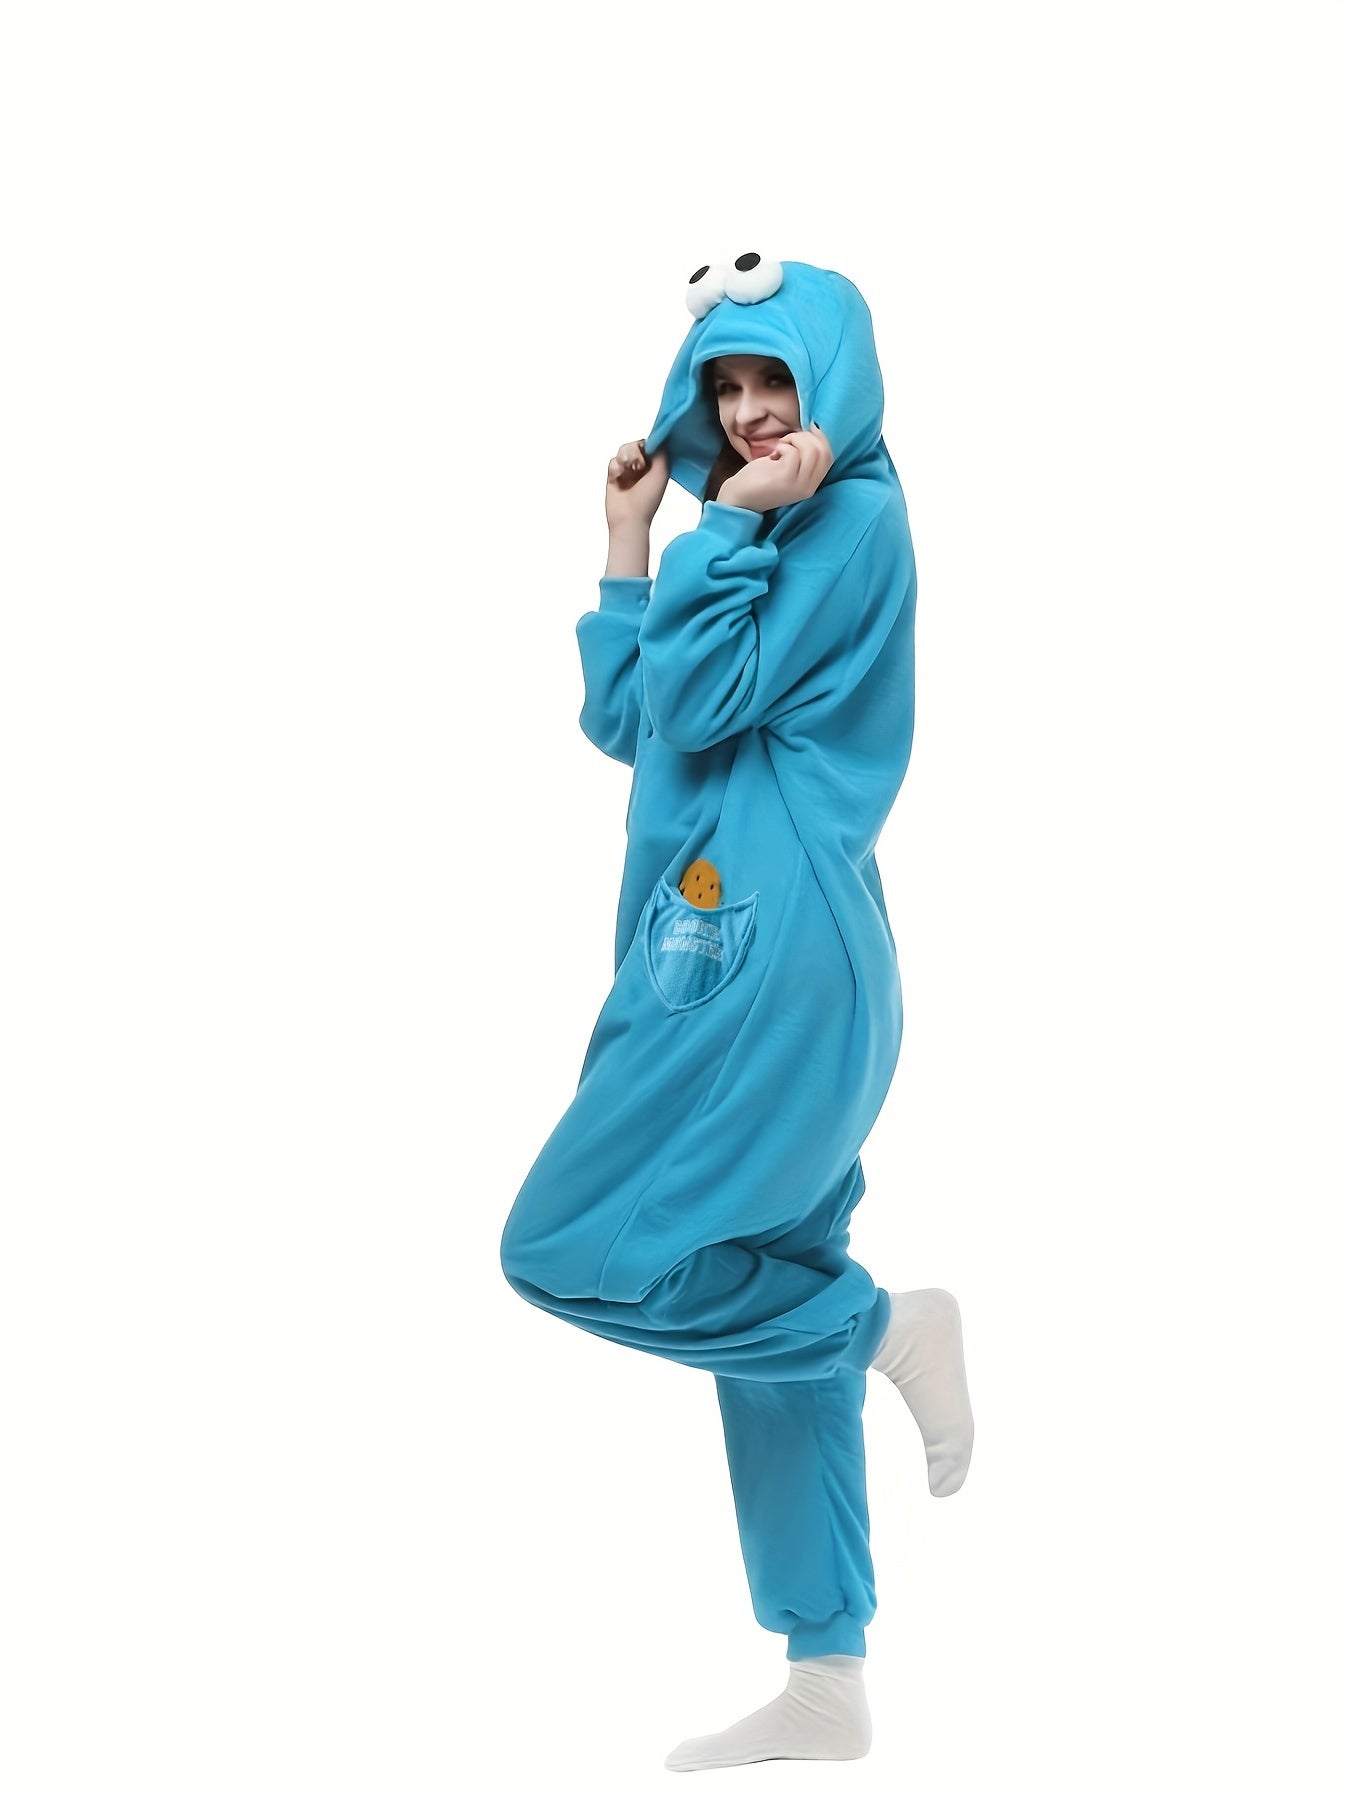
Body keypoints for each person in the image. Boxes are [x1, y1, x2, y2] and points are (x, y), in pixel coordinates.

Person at [499, 255, 974, 1772]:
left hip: (767, 949)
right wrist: (628, 547)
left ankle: (881, 1329)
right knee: (761, 1300)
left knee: (562, 1245)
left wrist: (732, 529)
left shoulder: (850, 522)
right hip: (717, 937)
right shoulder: (747, 525)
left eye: (779, 381)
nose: (754, 412)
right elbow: (630, 720)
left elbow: (702, 705)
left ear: (836, 385)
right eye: (727, 386)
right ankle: (825, 1672)